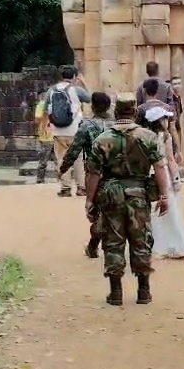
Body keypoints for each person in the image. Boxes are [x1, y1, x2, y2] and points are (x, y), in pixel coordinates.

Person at [88, 94, 172, 306]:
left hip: (111, 196)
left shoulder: (102, 139)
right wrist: (164, 196)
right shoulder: (149, 137)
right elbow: (160, 167)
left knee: (113, 242)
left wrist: (90, 200)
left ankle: (116, 293)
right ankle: (144, 291)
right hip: (139, 195)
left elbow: (93, 174)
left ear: (116, 112)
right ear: (135, 112)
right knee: (141, 240)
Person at [57, 92, 114, 260]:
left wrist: (63, 168)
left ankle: (94, 246)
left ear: (93, 107)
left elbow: (74, 150)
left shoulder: (87, 126)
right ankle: (99, 245)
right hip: (117, 172)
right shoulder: (117, 125)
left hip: (95, 173)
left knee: (95, 210)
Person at [145, 105, 184, 259]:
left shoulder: (145, 136)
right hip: (164, 172)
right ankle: (175, 245)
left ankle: (154, 245)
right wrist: (176, 179)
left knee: (153, 211)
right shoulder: (165, 137)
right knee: (170, 210)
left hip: (150, 174)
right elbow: (170, 159)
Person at [47, 66, 88, 197]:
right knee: (77, 159)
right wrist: (84, 83)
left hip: (58, 130)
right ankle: (81, 187)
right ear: (75, 77)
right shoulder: (76, 90)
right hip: (74, 130)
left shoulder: (52, 90)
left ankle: (65, 187)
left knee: (61, 159)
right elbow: (90, 98)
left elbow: (47, 107)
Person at [136, 78, 183, 161]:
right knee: (169, 163)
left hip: (147, 142)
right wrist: (178, 150)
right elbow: (173, 129)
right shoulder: (168, 108)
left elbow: (137, 129)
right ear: (157, 90)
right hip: (164, 139)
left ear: (145, 91)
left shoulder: (140, 109)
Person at [33, 89, 54, 184]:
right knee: (59, 159)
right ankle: (62, 180)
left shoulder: (41, 105)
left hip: (47, 135)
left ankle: (40, 179)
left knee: (44, 160)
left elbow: (37, 120)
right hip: (55, 134)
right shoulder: (54, 104)